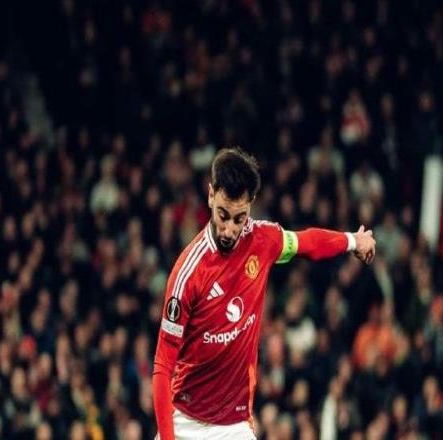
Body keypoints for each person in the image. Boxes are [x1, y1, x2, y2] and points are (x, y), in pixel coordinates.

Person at [153, 148, 376, 439]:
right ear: (210, 195)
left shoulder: (263, 240)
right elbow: (162, 367)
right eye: (223, 215)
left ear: (251, 206)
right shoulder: (188, 273)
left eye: (239, 219)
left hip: (234, 426)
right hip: (185, 422)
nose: (229, 230)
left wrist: (353, 240)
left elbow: (308, 243)